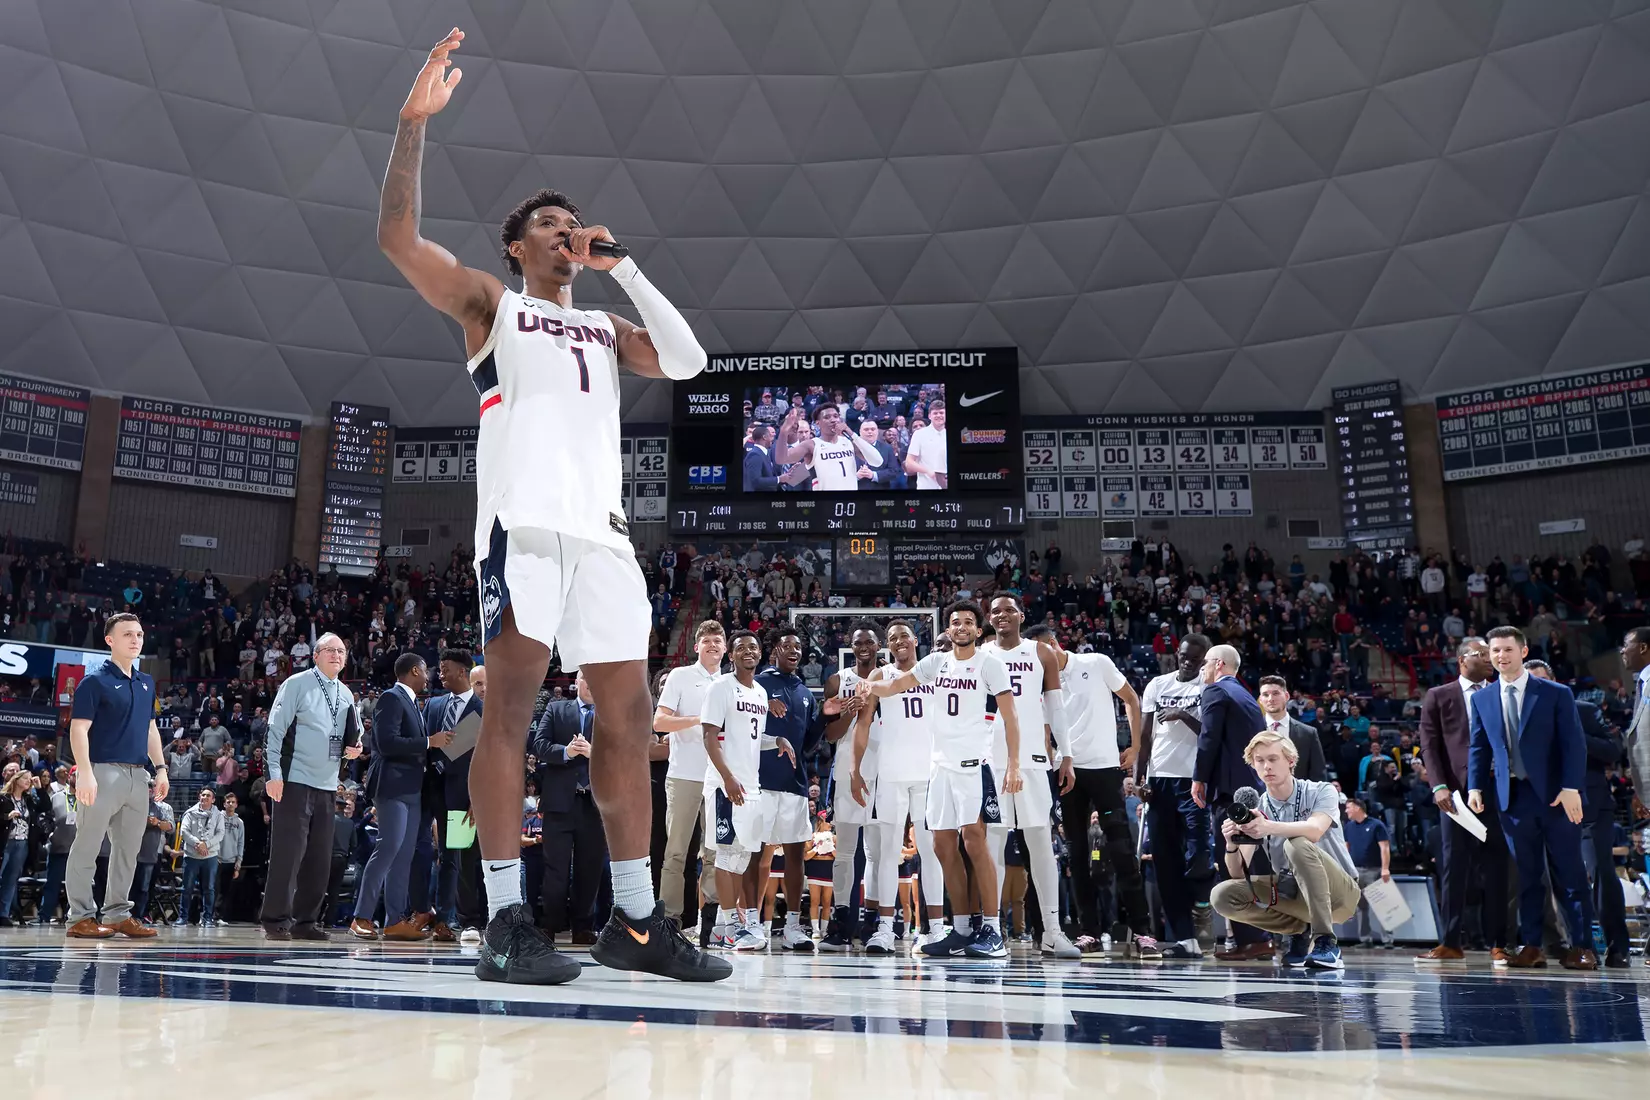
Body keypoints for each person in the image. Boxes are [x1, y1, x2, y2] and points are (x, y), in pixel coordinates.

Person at [379, 28, 722, 986]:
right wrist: (412, 125)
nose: (567, 233)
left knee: (628, 719)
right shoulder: (494, 306)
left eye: (576, 224)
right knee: (509, 716)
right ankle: (503, 921)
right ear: (517, 244)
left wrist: (627, 267)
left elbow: (690, 361)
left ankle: (637, 922)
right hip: (524, 530)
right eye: (550, 224)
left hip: (603, 539)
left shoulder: (605, 325)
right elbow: (397, 239)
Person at [858, 600, 1024, 959]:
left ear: (978, 629)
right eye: (955, 622)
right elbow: (897, 685)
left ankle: (993, 930)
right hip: (939, 769)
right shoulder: (936, 662)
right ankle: (961, 929)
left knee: (975, 842)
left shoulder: (990, 664)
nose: (961, 627)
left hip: (973, 766)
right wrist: (868, 688)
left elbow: (1011, 717)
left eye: (968, 622)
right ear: (948, 629)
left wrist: (1013, 765)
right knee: (942, 846)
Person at [1466, 626, 1596, 970]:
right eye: (1495, 650)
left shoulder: (1555, 693)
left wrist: (1571, 787)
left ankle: (1583, 946)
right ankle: (1532, 946)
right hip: (1513, 798)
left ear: (1523, 652)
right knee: (1527, 876)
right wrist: (1474, 786)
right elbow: (1479, 746)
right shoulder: (1482, 698)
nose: (1501, 656)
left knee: (1570, 874)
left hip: (1557, 796)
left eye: (1508, 649)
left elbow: (1573, 744)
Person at [1026, 621, 1140, 958]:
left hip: (1104, 767)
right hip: (1066, 772)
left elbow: (1130, 698)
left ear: (1053, 644)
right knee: (1075, 857)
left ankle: (1142, 932)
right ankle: (1089, 932)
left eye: (1038, 652)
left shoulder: (1096, 662)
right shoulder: (1037, 684)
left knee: (1121, 850)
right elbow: (1044, 733)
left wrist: (1135, 747)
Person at [981, 602, 1089, 958]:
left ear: (1021, 616)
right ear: (989, 619)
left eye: (1009, 610)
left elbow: (1056, 707)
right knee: (993, 842)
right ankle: (991, 928)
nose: (1002, 615)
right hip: (991, 759)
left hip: (1033, 759)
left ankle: (1053, 932)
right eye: (995, 611)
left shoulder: (1041, 652)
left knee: (1041, 840)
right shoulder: (981, 654)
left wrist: (1066, 754)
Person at [1213, 730, 1361, 969]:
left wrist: (1268, 826)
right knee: (1223, 895)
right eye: (1259, 761)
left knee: (1297, 844)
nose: (1266, 766)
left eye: (1273, 759)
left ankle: (1326, 942)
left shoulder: (1321, 790)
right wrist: (1231, 844)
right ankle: (1298, 930)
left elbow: (1315, 830)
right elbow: (1239, 873)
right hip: (1292, 891)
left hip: (1339, 892)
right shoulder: (1258, 807)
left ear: (1291, 761)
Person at [65, 613, 169, 939]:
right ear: (110, 640)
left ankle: (117, 915)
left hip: (139, 777)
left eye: (139, 634)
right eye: (127, 634)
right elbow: (78, 729)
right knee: (87, 846)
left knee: (127, 851)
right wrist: (85, 772)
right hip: (103, 771)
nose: (136, 640)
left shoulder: (146, 682)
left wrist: (161, 768)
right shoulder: (93, 681)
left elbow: (151, 729)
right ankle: (80, 917)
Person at [849, 620, 948, 952]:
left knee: (930, 853)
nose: (899, 641)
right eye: (892, 638)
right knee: (888, 853)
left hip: (929, 773)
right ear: (887, 646)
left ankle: (935, 929)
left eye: (904, 635)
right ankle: (885, 929)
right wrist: (854, 768)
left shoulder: (934, 669)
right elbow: (863, 724)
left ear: (916, 640)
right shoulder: (880, 675)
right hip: (891, 773)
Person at [260, 632, 363, 941]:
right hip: (294, 779)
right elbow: (274, 730)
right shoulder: (296, 683)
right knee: (288, 854)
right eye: (330, 650)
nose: (336, 655)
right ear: (315, 655)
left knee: (320, 858)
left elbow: (353, 738)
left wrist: (354, 749)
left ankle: (305, 921)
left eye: (341, 651)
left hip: (328, 785)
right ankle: (276, 919)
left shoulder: (346, 694)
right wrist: (273, 773)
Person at [1416, 636, 1509, 964]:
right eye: (1481, 654)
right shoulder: (1439, 695)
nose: (1488, 658)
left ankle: (1499, 942)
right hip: (1454, 795)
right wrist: (1438, 786)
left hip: (1498, 790)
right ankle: (1451, 941)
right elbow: (1429, 746)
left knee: (1498, 867)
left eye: (1489, 653)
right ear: (1461, 660)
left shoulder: (1501, 692)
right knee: (1453, 867)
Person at [702, 631, 796, 951]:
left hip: (751, 787)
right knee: (726, 855)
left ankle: (721, 929)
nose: (748, 651)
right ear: (731, 655)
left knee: (742, 859)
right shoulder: (720, 687)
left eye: (753, 647)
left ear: (760, 654)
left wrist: (777, 741)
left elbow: (753, 738)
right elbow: (709, 737)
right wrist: (727, 777)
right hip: (725, 785)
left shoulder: (759, 692)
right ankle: (732, 928)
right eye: (740, 647)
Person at [1135, 634, 1216, 959]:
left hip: (1194, 780)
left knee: (1198, 855)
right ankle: (1185, 939)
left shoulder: (1209, 688)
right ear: (1176, 653)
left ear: (1204, 660)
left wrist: (1183, 715)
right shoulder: (1157, 684)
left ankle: (1201, 906)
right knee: (1165, 861)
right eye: (1184, 656)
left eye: (1195, 659)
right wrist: (1138, 779)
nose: (1188, 662)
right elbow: (1144, 735)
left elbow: (1210, 734)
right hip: (1160, 780)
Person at [354, 653, 438, 941]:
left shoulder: (413, 702)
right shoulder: (391, 698)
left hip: (412, 787)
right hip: (392, 785)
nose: (428, 676)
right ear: (415, 670)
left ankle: (394, 921)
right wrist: (429, 742)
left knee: (404, 855)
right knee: (388, 848)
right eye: (425, 671)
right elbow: (387, 742)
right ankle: (361, 917)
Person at [1194, 643, 1269, 961]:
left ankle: (1251, 940)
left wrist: (1199, 778)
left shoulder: (1216, 691)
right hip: (1250, 790)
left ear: (1219, 664)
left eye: (1205, 663)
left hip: (1228, 793)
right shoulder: (1247, 697)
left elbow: (1208, 737)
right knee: (1252, 866)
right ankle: (1261, 937)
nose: (1202, 669)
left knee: (1232, 866)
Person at [654, 621, 726, 934]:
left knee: (715, 853)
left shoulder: (730, 682)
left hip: (719, 779)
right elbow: (660, 722)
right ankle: (669, 919)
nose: (713, 645)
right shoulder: (681, 676)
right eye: (707, 641)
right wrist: (700, 719)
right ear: (696, 647)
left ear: (725, 648)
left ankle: (709, 922)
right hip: (684, 775)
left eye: (718, 641)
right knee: (676, 852)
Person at [531, 671, 609, 946]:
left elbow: (620, 752)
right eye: (586, 677)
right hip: (559, 803)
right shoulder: (556, 709)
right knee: (555, 868)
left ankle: (583, 927)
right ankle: (549, 925)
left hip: (595, 804)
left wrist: (592, 753)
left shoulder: (610, 714)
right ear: (577, 682)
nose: (591, 683)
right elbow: (539, 745)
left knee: (590, 869)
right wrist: (568, 752)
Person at [754, 628, 820, 951]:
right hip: (761, 781)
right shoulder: (758, 684)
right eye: (787, 645)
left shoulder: (806, 693)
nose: (794, 650)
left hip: (795, 783)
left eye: (798, 646)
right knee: (758, 854)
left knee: (795, 854)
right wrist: (764, 703)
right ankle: (751, 923)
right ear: (774, 651)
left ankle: (793, 925)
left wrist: (827, 717)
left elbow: (808, 744)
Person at [819, 624, 883, 951]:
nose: (864, 646)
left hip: (884, 771)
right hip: (847, 769)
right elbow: (830, 736)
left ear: (878, 645)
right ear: (850, 645)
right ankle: (841, 920)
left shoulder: (892, 678)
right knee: (845, 850)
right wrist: (849, 711)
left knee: (877, 852)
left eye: (869, 641)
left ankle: (874, 922)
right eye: (858, 642)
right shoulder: (837, 681)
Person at [428, 650, 484, 940]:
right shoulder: (434, 705)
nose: (440, 674)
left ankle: (468, 921)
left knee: (462, 859)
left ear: (462, 672)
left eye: (445, 669)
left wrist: (478, 798)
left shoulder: (483, 711)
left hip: (464, 796)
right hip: (431, 793)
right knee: (439, 858)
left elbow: (488, 759)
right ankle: (440, 920)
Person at [774, 403, 883, 491]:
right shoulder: (811, 445)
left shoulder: (849, 442)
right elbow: (781, 459)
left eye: (836, 416)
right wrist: (783, 432)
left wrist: (851, 433)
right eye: (827, 417)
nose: (833, 420)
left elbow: (877, 461)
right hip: (825, 504)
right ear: (817, 423)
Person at [1342, 798, 1393, 949]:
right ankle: (1365, 939)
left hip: (1374, 870)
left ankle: (1388, 940)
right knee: (1360, 907)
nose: (1346, 811)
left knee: (1382, 905)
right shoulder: (1349, 826)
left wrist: (1385, 868)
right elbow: (1346, 848)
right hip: (1356, 871)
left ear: (1358, 808)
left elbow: (1385, 847)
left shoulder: (1376, 825)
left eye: (1349, 807)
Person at [1257, 675, 1325, 782]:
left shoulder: (1308, 733)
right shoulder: (1250, 732)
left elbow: (1318, 776)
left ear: (1287, 696)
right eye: (1265, 695)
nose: (1270, 699)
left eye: (1275, 693)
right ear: (1260, 699)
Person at [176, 787, 224, 926]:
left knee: (209, 889)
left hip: (210, 857)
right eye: (203, 795)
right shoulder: (190, 813)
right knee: (187, 888)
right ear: (199, 797)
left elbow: (220, 833)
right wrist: (198, 843)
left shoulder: (218, 815)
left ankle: (208, 918)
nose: (205, 797)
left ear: (213, 800)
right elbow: (184, 831)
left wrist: (206, 845)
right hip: (191, 856)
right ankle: (183, 918)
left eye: (208, 796)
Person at [37, 766, 75, 924]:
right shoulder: (57, 796)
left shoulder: (87, 798)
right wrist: (50, 835)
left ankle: (73, 917)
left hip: (78, 850)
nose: (78, 779)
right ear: (70, 777)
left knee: (76, 887)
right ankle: (44, 916)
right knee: (52, 884)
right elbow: (44, 817)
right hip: (58, 848)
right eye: (75, 775)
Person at [129, 787, 171, 925]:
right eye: (145, 787)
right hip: (129, 853)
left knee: (143, 888)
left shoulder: (159, 808)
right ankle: (124, 916)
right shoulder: (131, 804)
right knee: (127, 887)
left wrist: (157, 822)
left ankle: (139, 916)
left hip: (148, 855)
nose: (148, 791)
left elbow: (170, 827)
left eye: (151, 788)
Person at [904, 399, 947, 489]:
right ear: (929, 416)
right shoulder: (919, 434)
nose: (939, 415)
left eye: (941, 413)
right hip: (926, 486)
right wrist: (928, 472)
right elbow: (909, 462)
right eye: (935, 413)